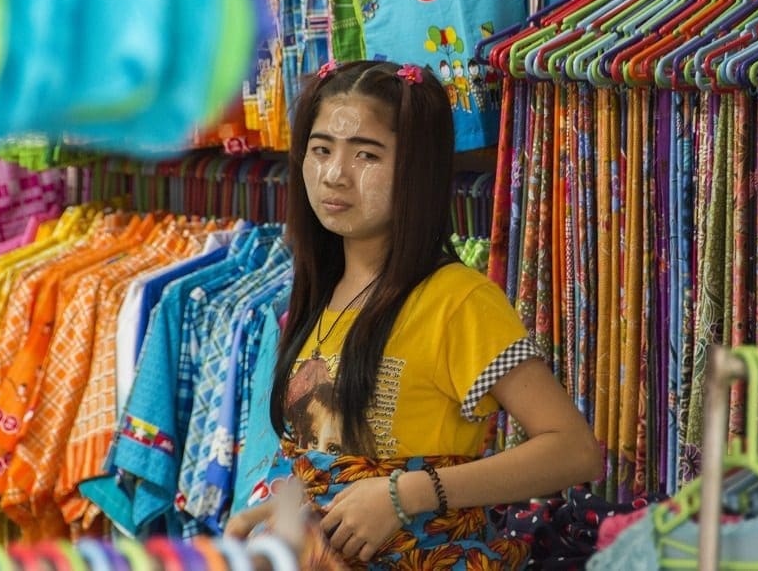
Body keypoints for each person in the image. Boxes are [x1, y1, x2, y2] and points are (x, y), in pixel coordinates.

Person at [225, 60, 602, 567]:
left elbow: (574, 450)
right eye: (320, 150)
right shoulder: (318, 293)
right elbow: (338, 464)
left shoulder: (457, 300)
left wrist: (407, 495)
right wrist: (275, 511)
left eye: (366, 154)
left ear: (415, 169)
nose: (335, 174)